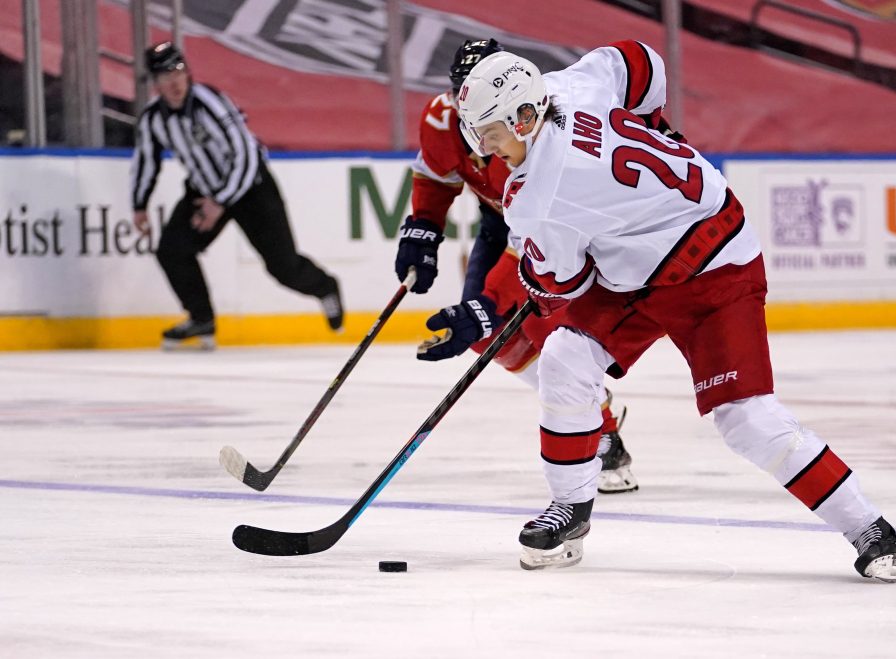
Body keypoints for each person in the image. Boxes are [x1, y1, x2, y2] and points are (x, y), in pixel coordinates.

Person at [455, 41, 896, 582]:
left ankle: (874, 533)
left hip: (713, 270)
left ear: (523, 118)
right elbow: (636, 59)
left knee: (746, 419)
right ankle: (571, 509)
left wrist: (535, 283)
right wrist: (652, 125)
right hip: (645, 260)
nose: (485, 149)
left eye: (490, 133)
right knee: (565, 358)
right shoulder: (568, 86)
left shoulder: (539, 195)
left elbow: (563, 282)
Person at [395, 39, 638, 493]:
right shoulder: (442, 117)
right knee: (482, 331)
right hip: (500, 224)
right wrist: (423, 227)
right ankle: (590, 399)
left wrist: (490, 298)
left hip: (559, 232)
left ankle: (602, 432)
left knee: (553, 338)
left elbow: (534, 235)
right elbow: (435, 173)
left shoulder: (542, 133)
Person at [130, 42, 343, 350]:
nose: (174, 82)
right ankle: (201, 318)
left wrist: (221, 201)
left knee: (282, 266)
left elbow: (245, 153)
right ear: (154, 83)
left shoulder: (210, 102)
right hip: (204, 190)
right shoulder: (153, 118)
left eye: (177, 72)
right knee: (172, 250)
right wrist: (138, 205)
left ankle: (325, 286)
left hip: (251, 187)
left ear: (187, 72)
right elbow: (145, 161)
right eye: (164, 77)